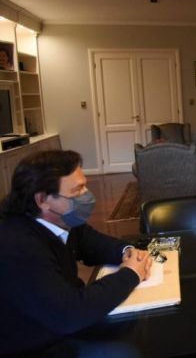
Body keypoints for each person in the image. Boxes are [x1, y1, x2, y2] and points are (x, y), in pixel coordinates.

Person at [0, 150, 153, 357]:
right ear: (43, 200)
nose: (87, 194)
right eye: (77, 190)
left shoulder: (61, 219)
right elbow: (69, 313)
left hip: (63, 321)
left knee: (138, 320)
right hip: (39, 343)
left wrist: (127, 252)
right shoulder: (17, 246)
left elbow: (89, 241)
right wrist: (131, 274)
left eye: (84, 185)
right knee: (126, 352)